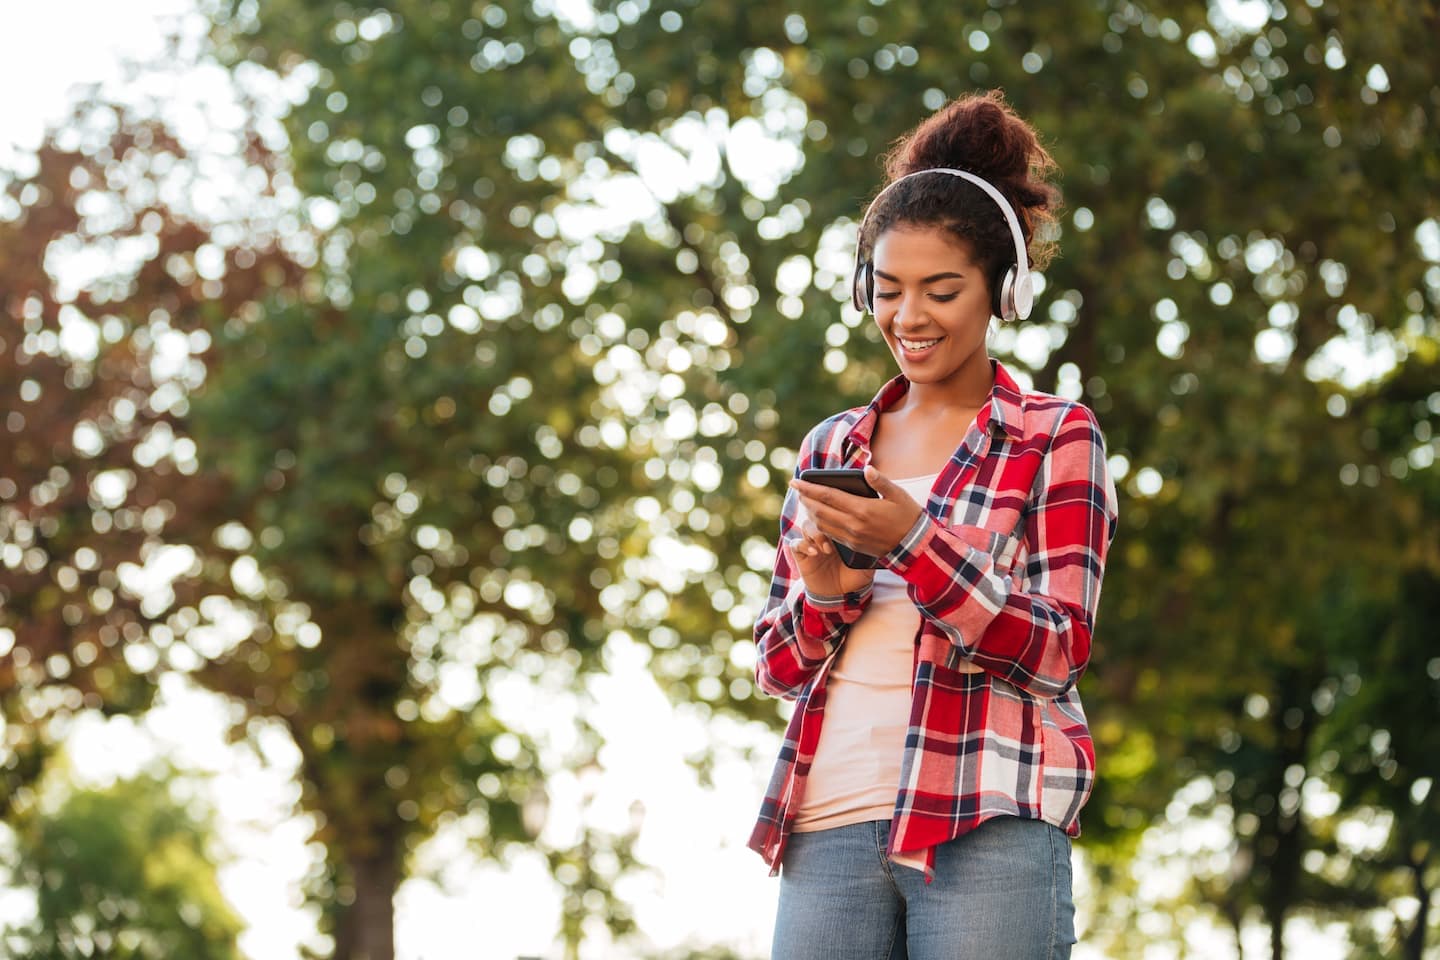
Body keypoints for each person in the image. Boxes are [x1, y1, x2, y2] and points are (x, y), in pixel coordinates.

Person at [748, 90, 1120, 959]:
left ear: (1005, 291)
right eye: (887, 291)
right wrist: (827, 596)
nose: (908, 318)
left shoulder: (1055, 436)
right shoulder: (832, 446)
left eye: (941, 290)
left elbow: (1057, 649)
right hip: (828, 821)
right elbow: (776, 665)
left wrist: (912, 543)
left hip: (986, 821)